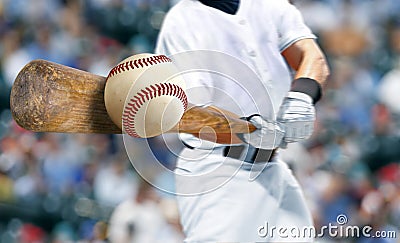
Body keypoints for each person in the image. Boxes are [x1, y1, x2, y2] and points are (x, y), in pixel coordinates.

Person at [155, 0, 329, 242]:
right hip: (218, 169)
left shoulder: (270, 6)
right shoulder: (182, 20)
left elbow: (313, 58)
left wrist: (302, 95)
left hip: (272, 166)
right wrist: (248, 130)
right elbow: (189, 115)